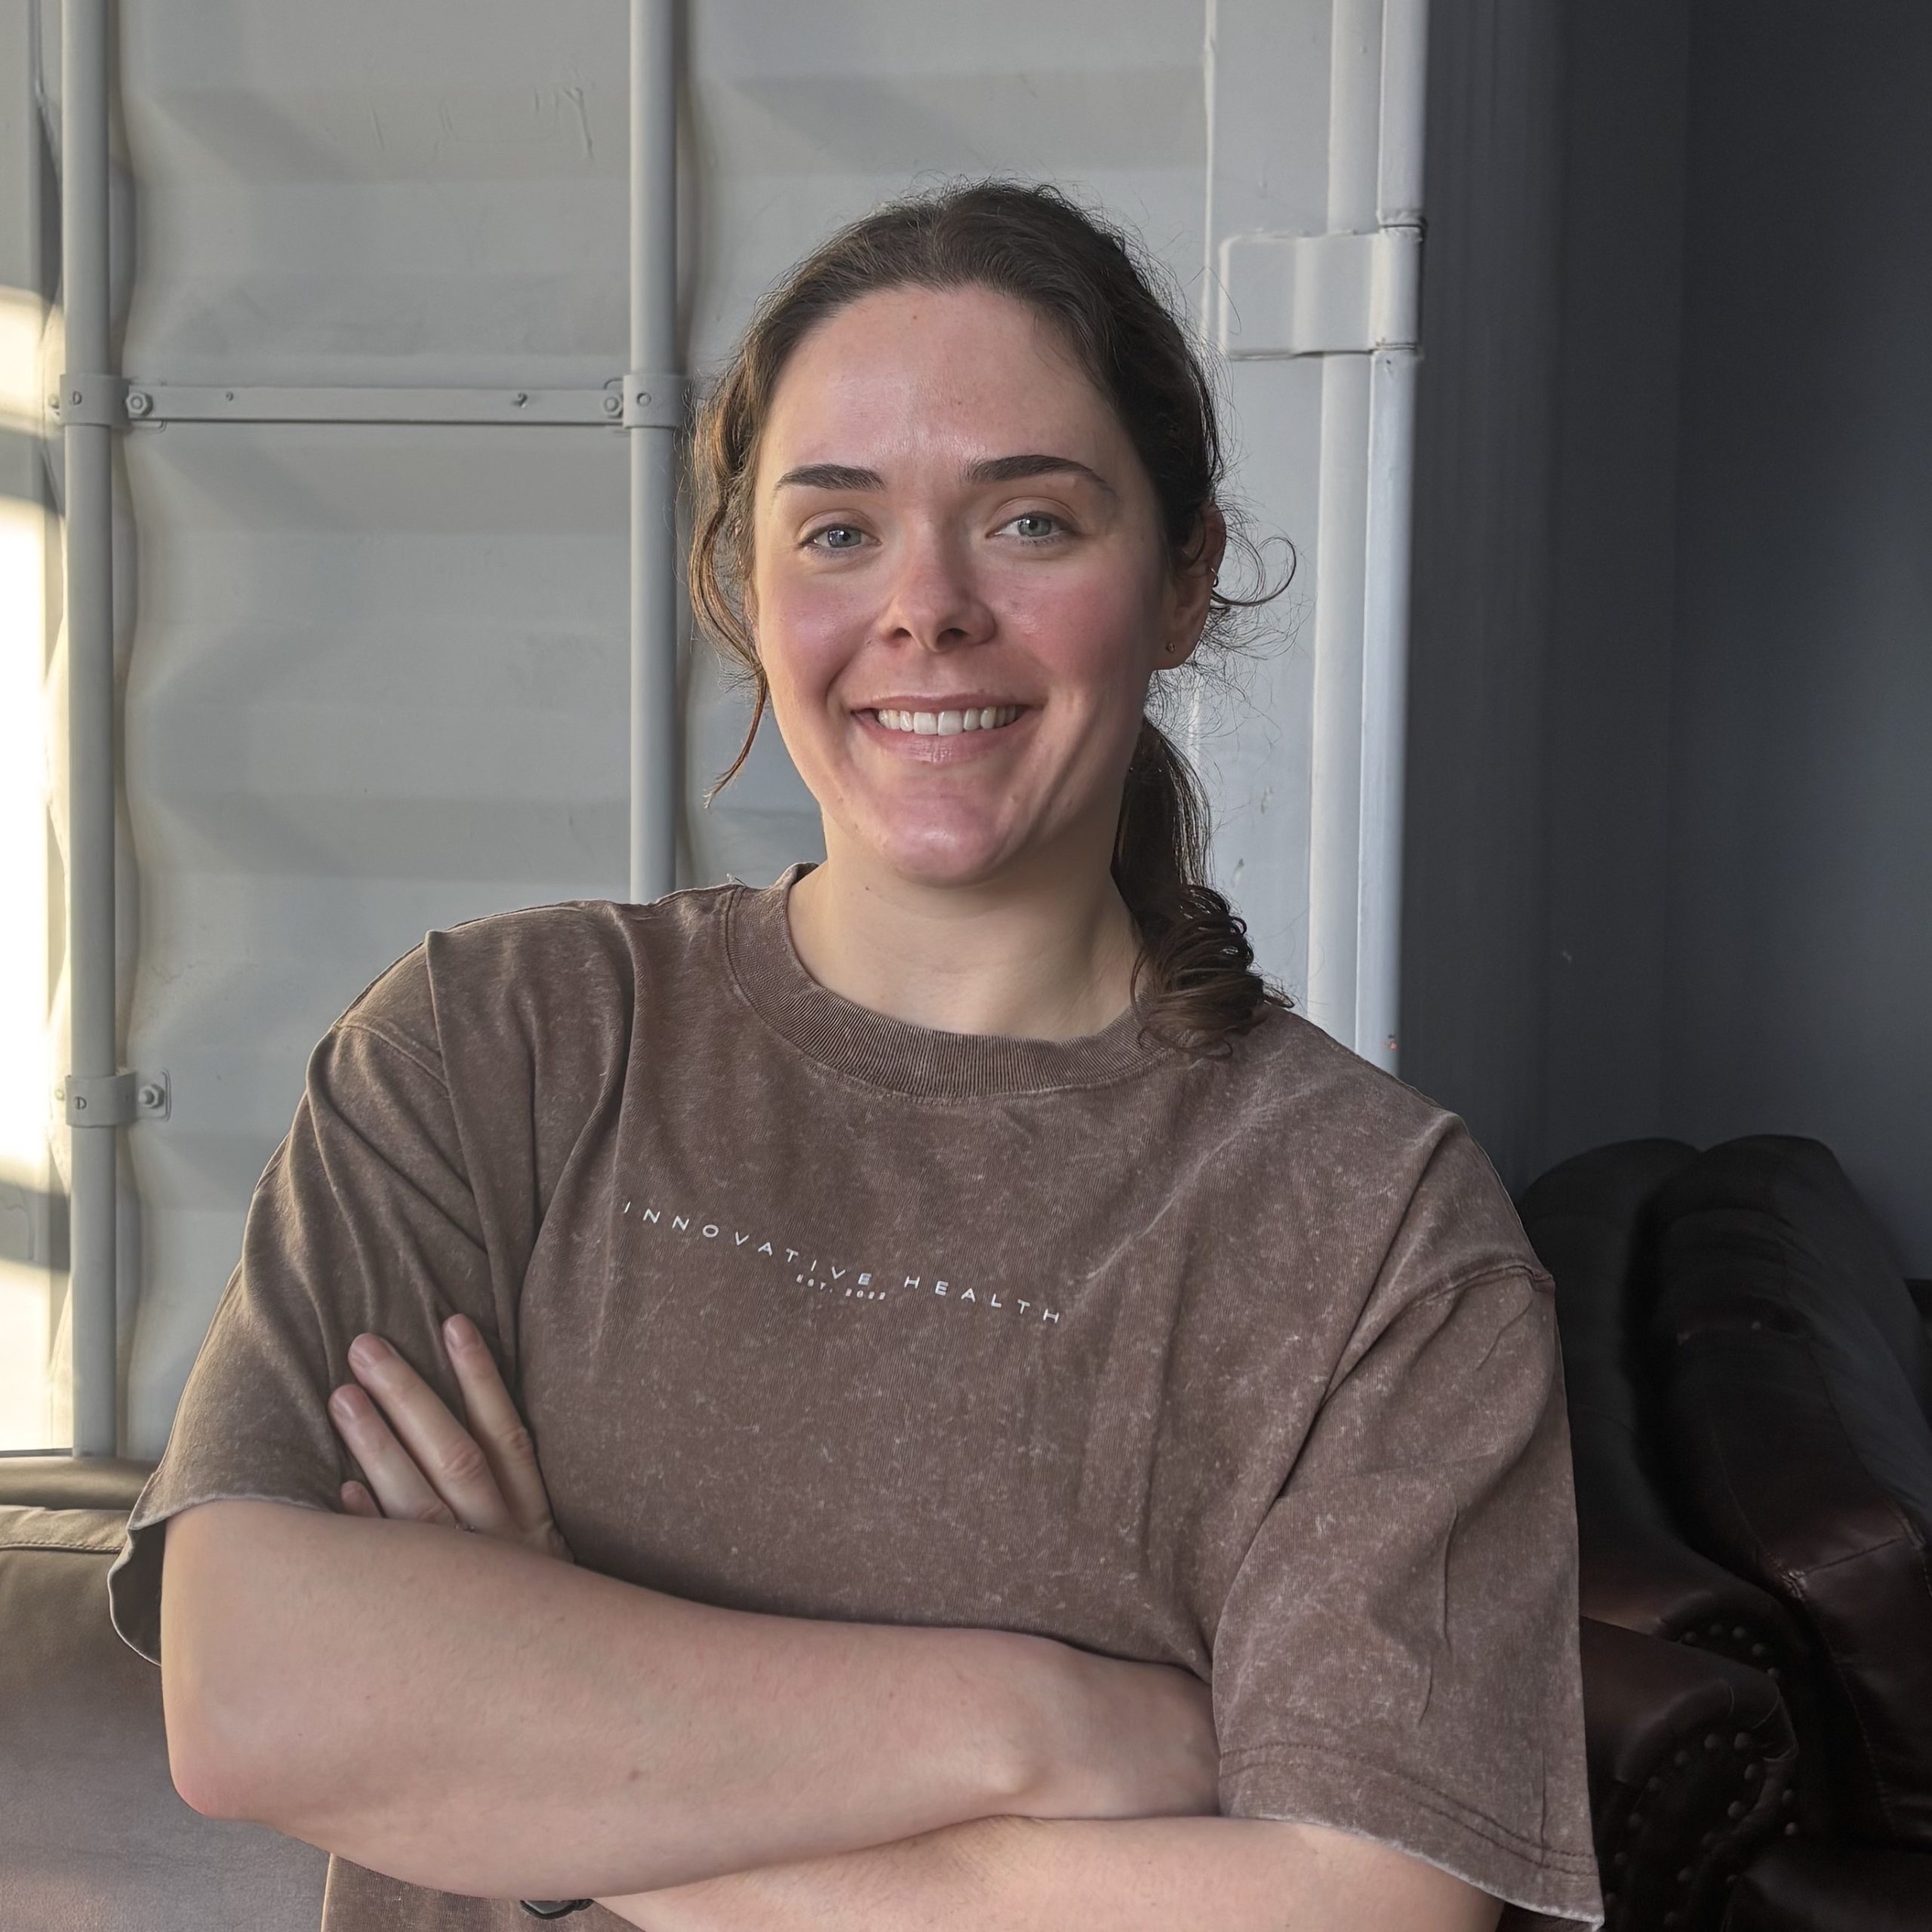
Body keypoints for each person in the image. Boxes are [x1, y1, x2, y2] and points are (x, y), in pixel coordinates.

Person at [108, 180, 1603, 1932]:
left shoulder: (1375, 1231)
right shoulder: (495, 1045)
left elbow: (1356, 1914)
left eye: (1029, 520)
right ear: (737, 587)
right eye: (836, 530)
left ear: (1183, 578)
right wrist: (1038, 1723)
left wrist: (547, 1730)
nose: (926, 608)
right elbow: (253, 1696)